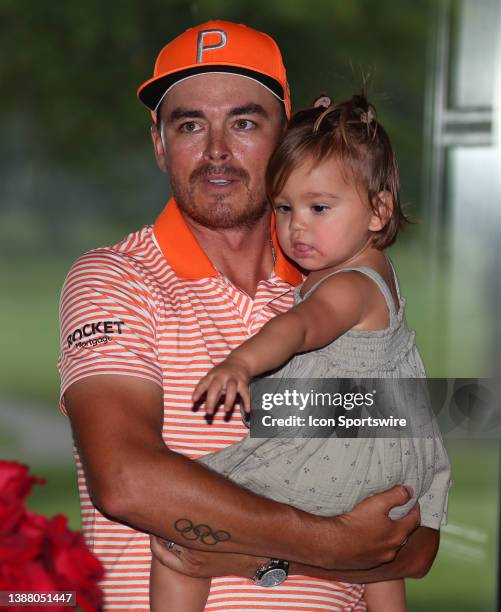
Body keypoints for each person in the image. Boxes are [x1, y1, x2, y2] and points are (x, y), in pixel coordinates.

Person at [58, 20, 438, 611]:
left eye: (243, 122)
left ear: (287, 139)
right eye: (189, 124)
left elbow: (415, 538)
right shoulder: (116, 279)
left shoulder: (340, 300)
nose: (216, 151)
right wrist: (334, 543)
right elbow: (128, 480)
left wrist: (265, 550)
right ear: (159, 145)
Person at [148, 93, 451, 611]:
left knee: (184, 523)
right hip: (395, 459)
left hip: (337, 455)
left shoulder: (344, 288)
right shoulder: (377, 271)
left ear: (379, 211)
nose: (297, 227)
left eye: (319, 208)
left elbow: (300, 327)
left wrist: (240, 362)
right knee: (383, 569)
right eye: (285, 208)